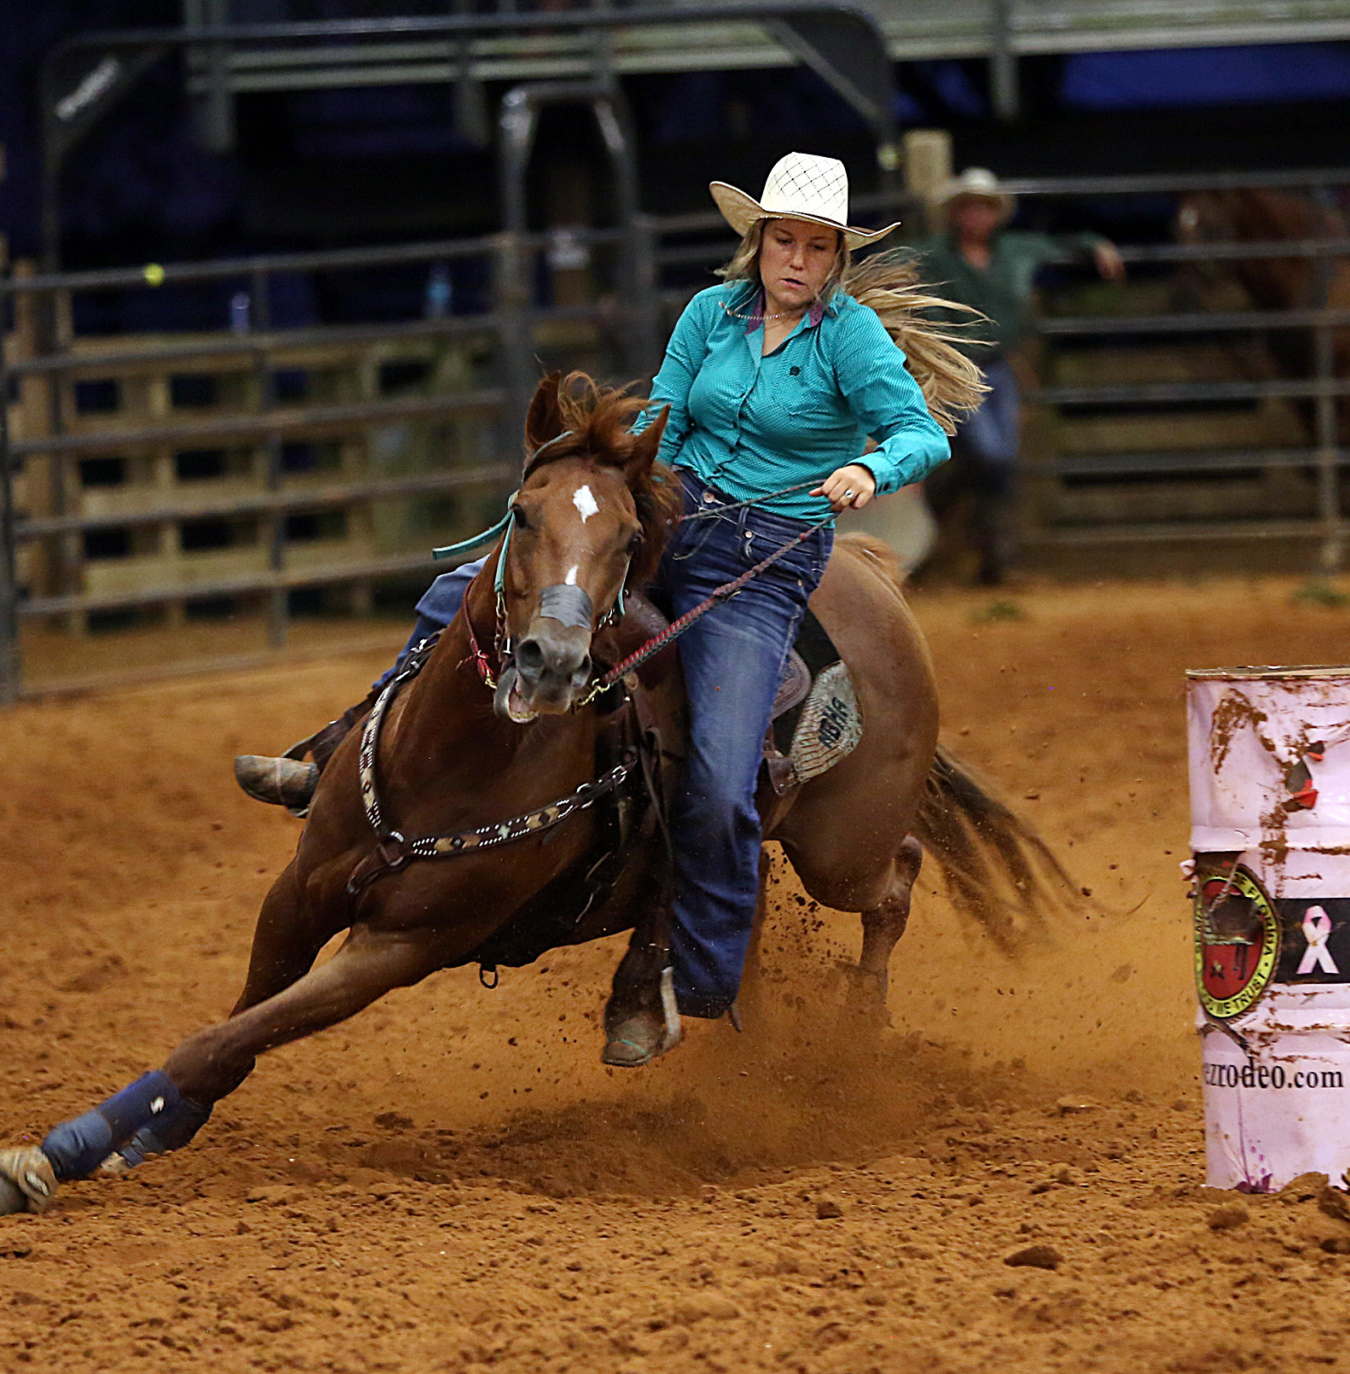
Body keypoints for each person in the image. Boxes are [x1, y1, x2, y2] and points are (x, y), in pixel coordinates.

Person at [235, 152, 976, 1066]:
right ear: (758, 242)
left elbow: (918, 431)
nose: (796, 258)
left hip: (759, 565)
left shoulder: (852, 340)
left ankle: (688, 972)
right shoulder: (710, 315)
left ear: (834, 259)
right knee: (456, 600)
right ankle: (332, 757)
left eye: (816, 246)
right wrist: (610, 484)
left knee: (720, 766)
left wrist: (872, 466)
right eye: (782, 239)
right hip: (672, 523)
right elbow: (663, 418)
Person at [913, 167, 1124, 584]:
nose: (977, 216)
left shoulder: (1015, 250)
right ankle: (984, 547)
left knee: (998, 456)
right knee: (993, 454)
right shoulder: (933, 256)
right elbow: (892, 261)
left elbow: (1062, 245)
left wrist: (1094, 244)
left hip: (1000, 368)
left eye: (984, 208)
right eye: (969, 207)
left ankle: (981, 548)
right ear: (956, 213)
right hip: (957, 371)